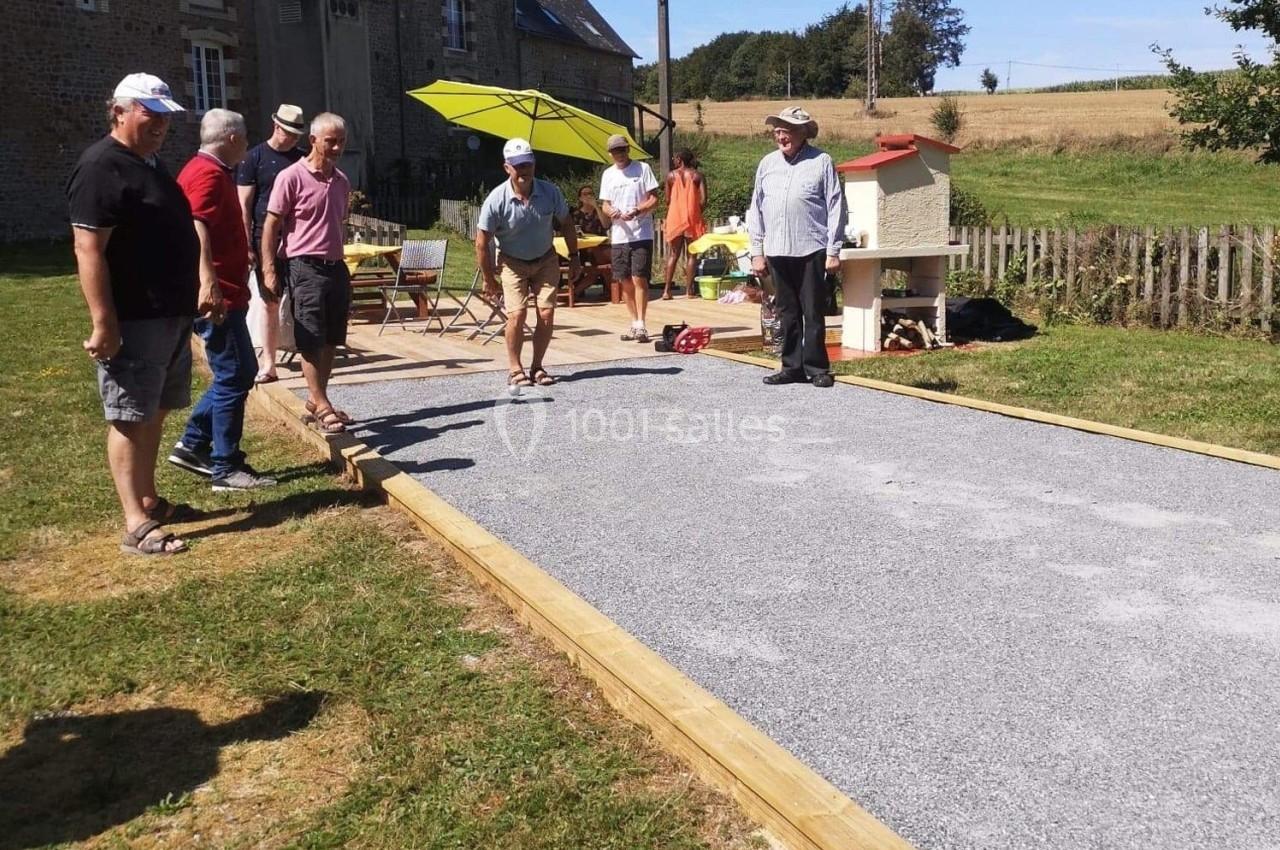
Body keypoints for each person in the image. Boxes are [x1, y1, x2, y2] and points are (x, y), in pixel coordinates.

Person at [66, 73, 200, 555]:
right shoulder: (101, 166)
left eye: (165, 115)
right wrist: (104, 321)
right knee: (128, 416)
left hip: (169, 313)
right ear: (119, 111)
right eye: (150, 112)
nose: (160, 122)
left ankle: (149, 498)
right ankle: (135, 521)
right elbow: (87, 248)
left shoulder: (150, 163)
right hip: (136, 317)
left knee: (154, 411)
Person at [168, 109, 278, 491]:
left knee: (238, 372)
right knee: (235, 374)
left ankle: (194, 444)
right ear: (232, 139)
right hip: (219, 298)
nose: (247, 146)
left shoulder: (210, 172)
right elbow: (196, 225)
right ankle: (225, 466)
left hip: (227, 291)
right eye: (245, 139)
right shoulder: (207, 175)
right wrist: (209, 282)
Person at [260, 112, 352, 434]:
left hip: (335, 266)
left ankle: (318, 399)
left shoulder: (342, 181)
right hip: (304, 266)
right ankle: (322, 403)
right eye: (331, 141)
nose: (337, 147)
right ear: (313, 140)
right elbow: (272, 225)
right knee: (310, 338)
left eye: (341, 141)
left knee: (330, 338)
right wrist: (269, 268)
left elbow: (338, 222)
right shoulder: (291, 177)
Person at [746, 107, 845, 389]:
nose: (780, 135)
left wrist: (833, 250)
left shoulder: (821, 161)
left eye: (786, 129)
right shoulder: (767, 164)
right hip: (777, 249)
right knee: (786, 311)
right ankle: (791, 366)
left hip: (811, 247)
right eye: (777, 130)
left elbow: (836, 205)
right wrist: (756, 250)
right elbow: (757, 208)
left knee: (813, 311)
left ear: (803, 133)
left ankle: (817, 368)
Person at [475, 138, 578, 388]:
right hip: (512, 262)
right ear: (507, 168)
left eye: (527, 164)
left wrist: (574, 257)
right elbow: (481, 242)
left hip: (545, 259)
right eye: (518, 166)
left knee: (546, 313)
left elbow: (566, 223)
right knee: (517, 315)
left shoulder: (549, 192)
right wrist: (489, 279)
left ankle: (537, 366)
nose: (524, 171)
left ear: (534, 164)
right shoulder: (496, 199)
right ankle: (514, 368)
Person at [235, 104, 305, 384]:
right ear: (277, 126)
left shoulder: (301, 159)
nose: (294, 139)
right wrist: (247, 243)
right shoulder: (254, 158)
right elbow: (244, 204)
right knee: (270, 302)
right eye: (290, 133)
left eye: (298, 135)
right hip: (264, 238)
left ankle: (305, 354)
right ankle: (269, 362)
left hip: (297, 240)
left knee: (301, 301)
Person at [598, 134, 659, 342]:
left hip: (641, 232)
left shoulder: (642, 169)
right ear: (610, 154)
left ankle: (642, 323)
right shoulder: (608, 175)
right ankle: (633, 322)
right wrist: (611, 211)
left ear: (628, 150)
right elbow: (604, 203)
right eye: (616, 151)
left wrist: (638, 210)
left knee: (639, 277)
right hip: (619, 234)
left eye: (622, 150)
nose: (620, 154)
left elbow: (654, 199)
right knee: (624, 280)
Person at [661, 149, 708, 300]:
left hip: (675, 217)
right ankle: (689, 291)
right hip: (692, 218)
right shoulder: (698, 175)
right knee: (692, 254)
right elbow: (703, 200)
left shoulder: (670, 176)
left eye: (675, 158)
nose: (674, 160)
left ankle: (667, 291)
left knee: (673, 254)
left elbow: (667, 200)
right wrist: (694, 210)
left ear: (680, 159)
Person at [571, 184, 612, 296]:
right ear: (580, 198)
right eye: (585, 194)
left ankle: (576, 292)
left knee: (602, 261)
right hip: (582, 248)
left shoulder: (599, 212)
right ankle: (577, 290)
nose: (588, 196)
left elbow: (606, 225)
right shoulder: (575, 214)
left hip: (599, 247)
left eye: (590, 193)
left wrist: (597, 207)